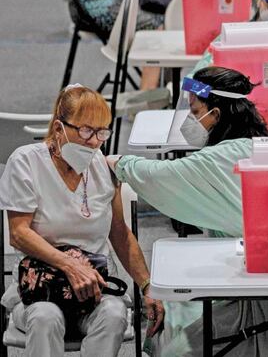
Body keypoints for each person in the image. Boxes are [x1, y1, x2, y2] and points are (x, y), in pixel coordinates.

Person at [108, 67, 268, 357]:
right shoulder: (261, 146)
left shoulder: (219, 159)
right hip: (249, 275)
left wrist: (118, 164)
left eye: (194, 110)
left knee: (172, 352)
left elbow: (161, 176)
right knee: (172, 317)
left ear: (215, 114)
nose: (189, 120)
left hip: (260, 293)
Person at [0, 85, 164, 356]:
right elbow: (19, 233)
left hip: (92, 291)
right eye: (86, 130)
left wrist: (148, 285)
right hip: (41, 289)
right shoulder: (26, 162)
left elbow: (120, 234)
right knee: (45, 318)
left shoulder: (104, 169)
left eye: (102, 132)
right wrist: (70, 265)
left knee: (114, 313)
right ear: (58, 128)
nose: (94, 141)